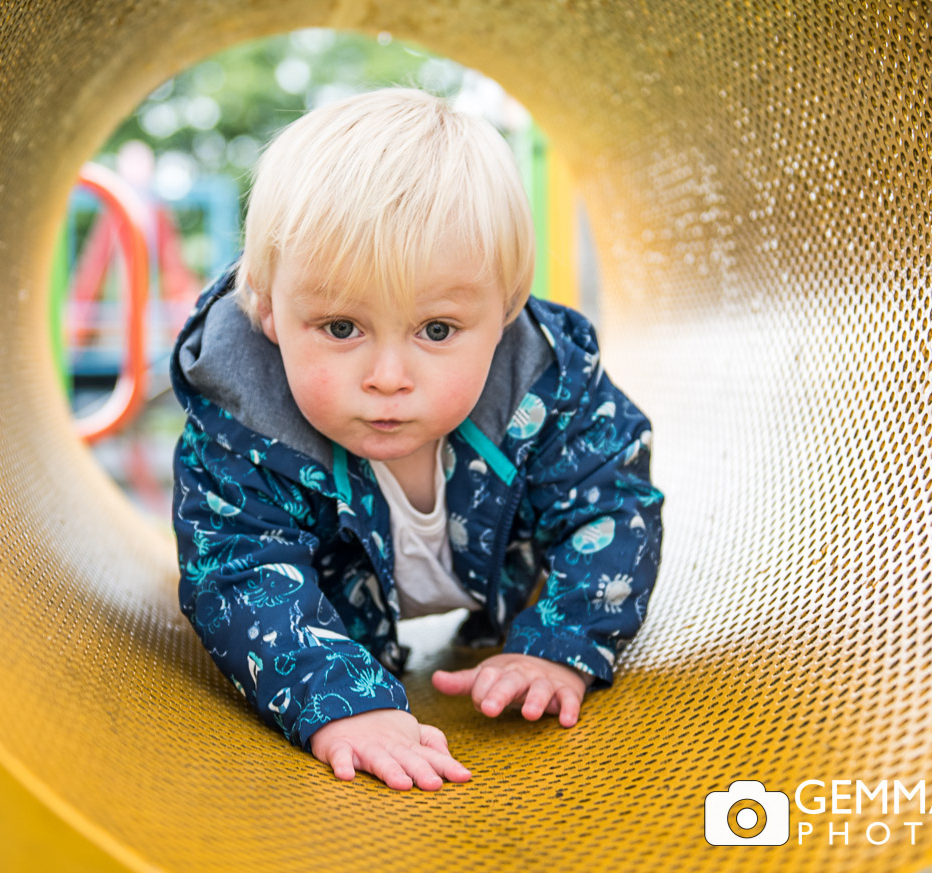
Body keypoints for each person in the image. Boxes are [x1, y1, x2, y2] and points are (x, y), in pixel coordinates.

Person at [168, 86, 664, 791]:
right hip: (337, 619)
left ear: (506, 309)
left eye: (436, 330)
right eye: (342, 327)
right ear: (268, 307)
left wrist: (563, 644)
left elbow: (612, 505)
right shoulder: (243, 428)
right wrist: (342, 703)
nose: (389, 376)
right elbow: (237, 571)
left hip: (512, 587)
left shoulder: (545, 390)